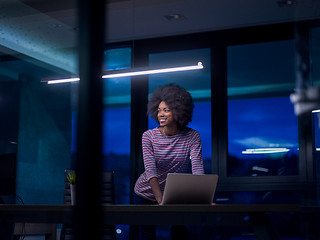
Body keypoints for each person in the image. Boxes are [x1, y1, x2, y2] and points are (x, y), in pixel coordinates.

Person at [134, 83, 205, 240]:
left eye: (166, 110)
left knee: (180, 232)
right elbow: (151, 171)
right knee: (147, 236)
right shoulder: (148, 136)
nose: (161, 114)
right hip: (145, 193)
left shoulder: (192, 137)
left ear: (179, 111)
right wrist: (160, 200)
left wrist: (203, 200)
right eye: (159, 110)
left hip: (174, 196)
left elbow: (198, 170)